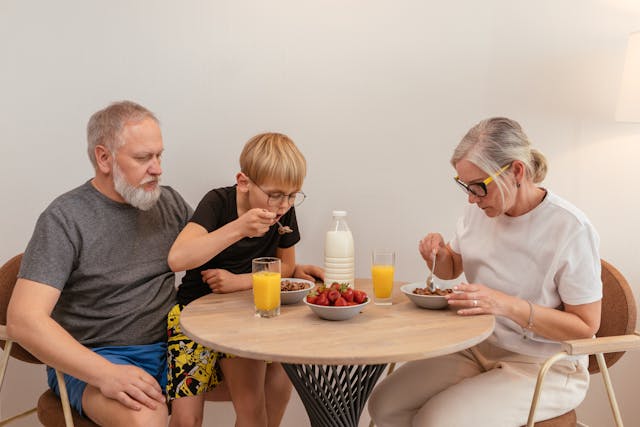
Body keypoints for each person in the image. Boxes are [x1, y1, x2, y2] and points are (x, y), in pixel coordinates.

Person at [368, 117, 602, 426]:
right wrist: (436, 254)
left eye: (479, 187)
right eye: (465, 186)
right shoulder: (480, 210)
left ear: (517, 171)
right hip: (476, 346)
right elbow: (452, 268)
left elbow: (585, 326)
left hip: (543, 364)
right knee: (385, 405)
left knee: (435, 422)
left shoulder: (569, 228)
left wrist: (504, 304)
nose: (471, 198)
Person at [7, 101, 192, 426]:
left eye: (159, 155)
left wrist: (288, 269)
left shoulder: (169, 203)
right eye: (143, 158)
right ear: (103, 157)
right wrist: (107, 374)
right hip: (99, 361)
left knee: (270, 373)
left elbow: (218, 255)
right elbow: (23, 320)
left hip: (174, 348)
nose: (158, 168)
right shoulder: (64, 218)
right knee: (145, 418)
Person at [166, 132, 323, 427]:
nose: (283, 204)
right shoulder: (217, 202)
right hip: (191, 314)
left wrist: (240, 282)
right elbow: (177, 259)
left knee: (252, 408)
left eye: (292, 195)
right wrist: (239, 228)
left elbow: (285, 267)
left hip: (243, 318)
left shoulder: (284, 212)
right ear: (243, 182)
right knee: (186, 418)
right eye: (275, 194)